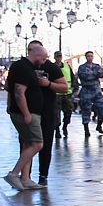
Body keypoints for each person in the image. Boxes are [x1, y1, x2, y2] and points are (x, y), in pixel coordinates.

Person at [4, 41, 52, 190]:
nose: (44, 62)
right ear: (36, 55)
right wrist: (26, 114)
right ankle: (13, 174)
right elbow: (19, 92)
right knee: (37, 144)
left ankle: (25, 178)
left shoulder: (25, 67)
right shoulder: (23, 68)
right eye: (43, 59)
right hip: (27, 113)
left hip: (29, 112)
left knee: (28, 144)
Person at [36, 48, 69, 186]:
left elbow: (65, 86)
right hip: (30, 111)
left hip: (48, 109)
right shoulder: (24, 66)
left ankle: (43, 175)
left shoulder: (52, 67)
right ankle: (24, 175)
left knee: (45, 143)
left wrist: (48, 84)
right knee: (29, 144)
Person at [77, 50, 103, 137]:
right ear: (86, 57)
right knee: (86, 110)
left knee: (102, 108)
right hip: (86, 91)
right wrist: (94, 74)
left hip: (96, 90)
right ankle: (86, 129)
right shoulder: (82, 67)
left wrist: (92, 73)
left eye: (91, 56)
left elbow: (102, 74)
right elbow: (83, 76)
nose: (90, 57)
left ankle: (99, 125)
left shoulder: (96, 66)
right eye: (88, 56)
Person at [53, 51, 76, 139]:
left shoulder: (67, 66)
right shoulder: (52, 67)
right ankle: (57, 130)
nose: (59, 58)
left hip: (67, 94)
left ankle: (65, 126)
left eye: (60, 56)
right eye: (57, 56)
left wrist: (75, 90)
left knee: (68, 112)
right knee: (56, 114)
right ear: (54, 57)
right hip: (56, 94)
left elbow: (73, 78)